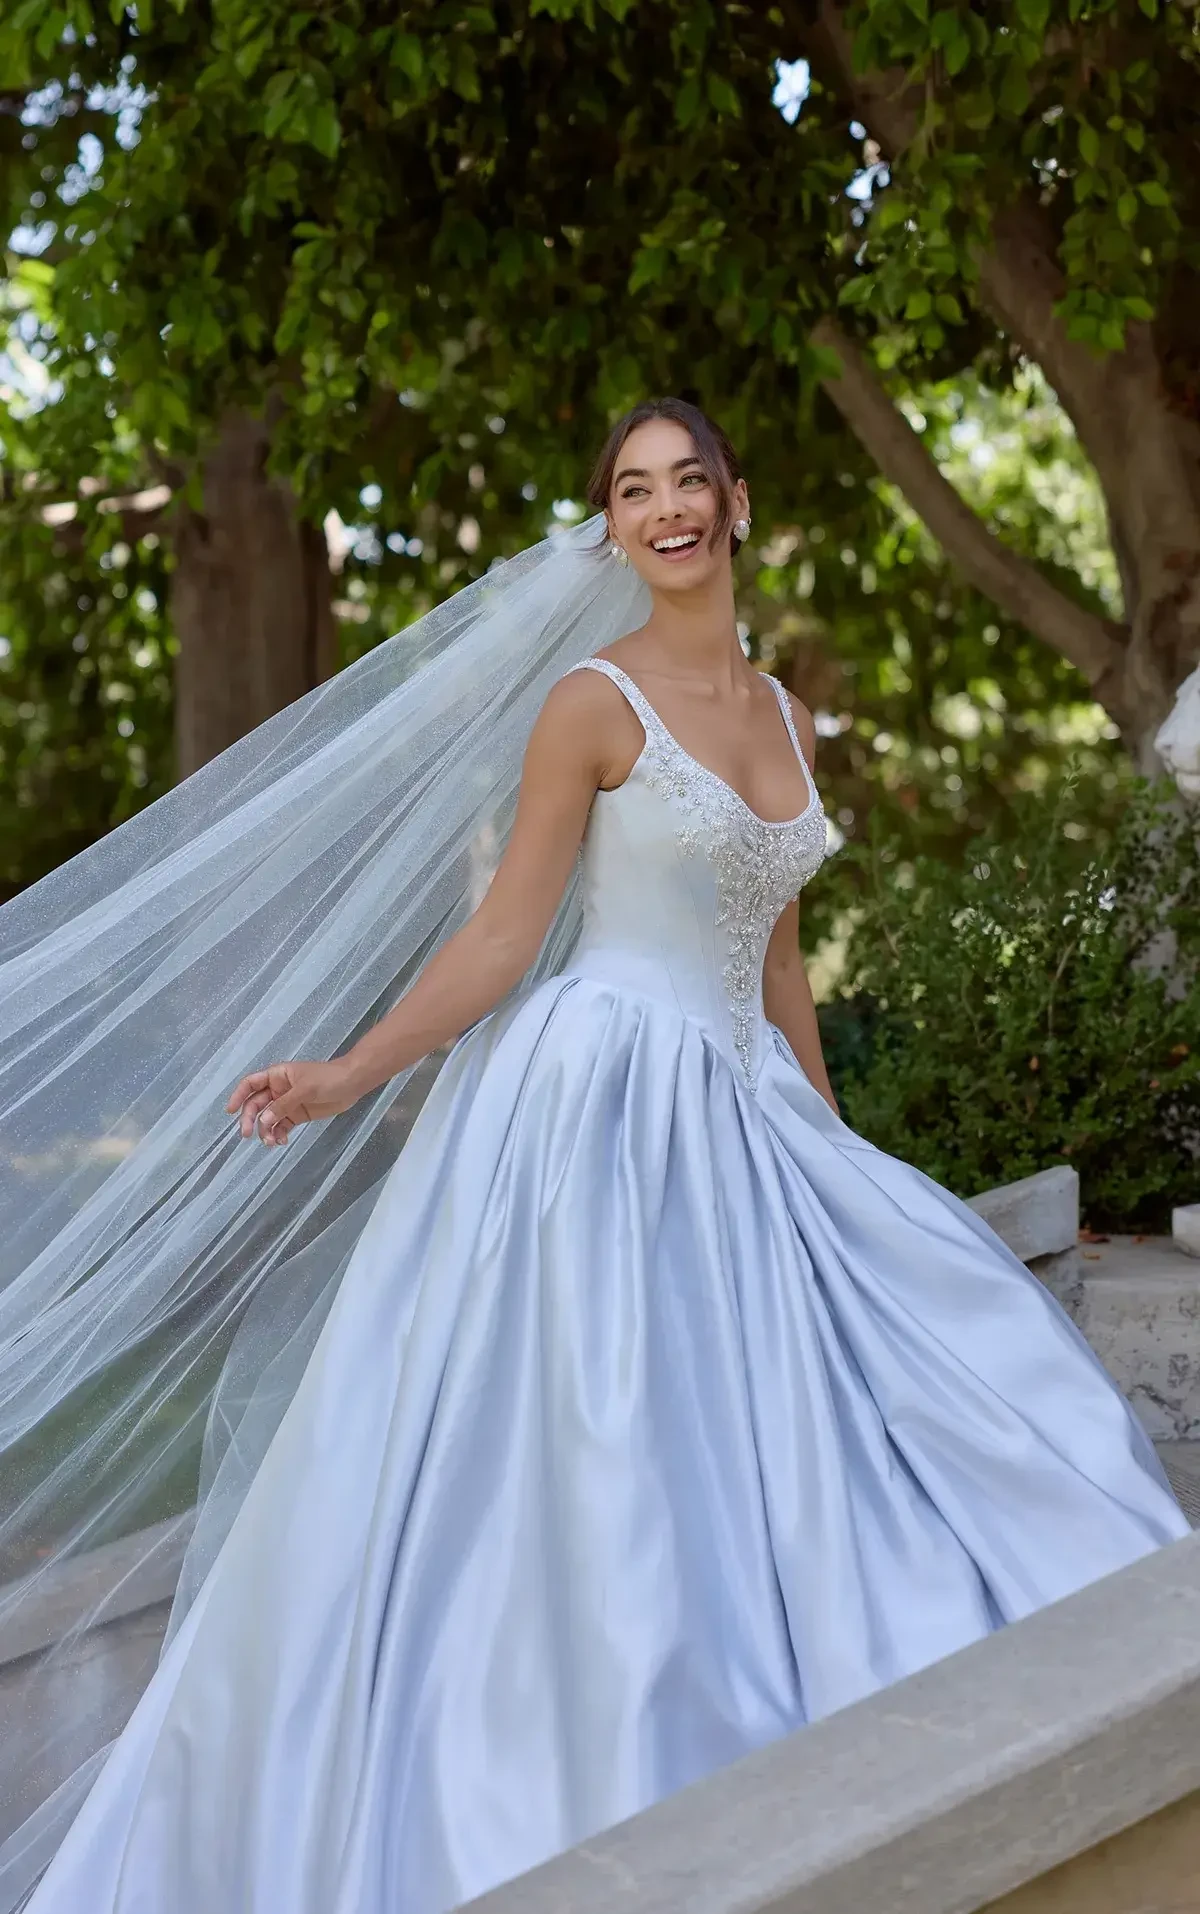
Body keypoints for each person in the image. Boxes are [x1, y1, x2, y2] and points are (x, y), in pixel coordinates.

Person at [2, 400, 1188, 1914]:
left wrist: (829, 1160)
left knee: (918, 1366)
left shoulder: (785, 716)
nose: (667, 508)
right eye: (635, 490)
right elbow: (505, 933)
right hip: (598, 1105)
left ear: (738, 504)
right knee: (601, 1444)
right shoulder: (589, 702)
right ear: (613, 525)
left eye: (690, 479)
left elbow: (776, 967)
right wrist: (348, 1071)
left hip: (747, 1105)